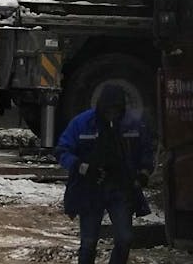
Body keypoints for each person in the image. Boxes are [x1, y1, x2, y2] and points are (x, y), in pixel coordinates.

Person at [55, 85, 154, 264]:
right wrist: (81, 167)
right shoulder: (82, 123)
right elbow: (63, 151)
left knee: (124, 239)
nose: (112, 115)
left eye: (116, 111)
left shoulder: (132, 124)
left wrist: (143, 173)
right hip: (90, 190)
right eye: (108, 111)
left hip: (121, 189)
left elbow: (146, 150)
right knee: (88, 242)